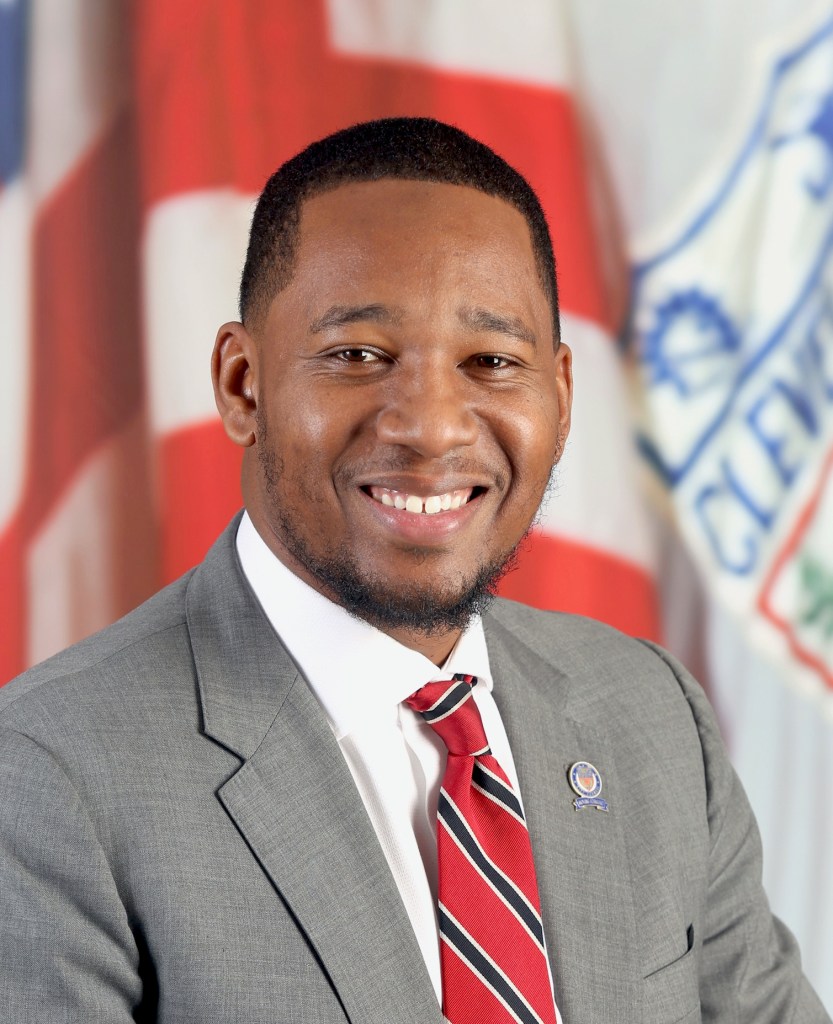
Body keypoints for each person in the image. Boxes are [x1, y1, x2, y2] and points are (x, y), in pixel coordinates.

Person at [0, 117, 827, 1024]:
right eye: (357, 356)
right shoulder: (46, 777)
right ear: (242, 385)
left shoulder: (651, 714)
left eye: (491, 362)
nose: (431, 428)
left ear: (559, 397)